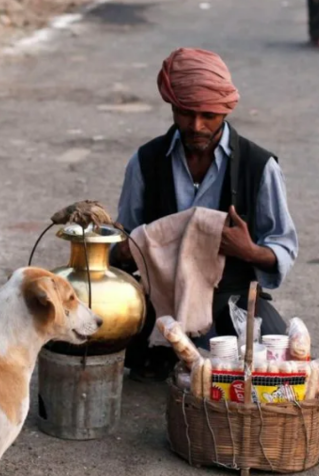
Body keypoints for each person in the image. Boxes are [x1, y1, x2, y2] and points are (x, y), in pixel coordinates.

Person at [115, 48, 298, 379]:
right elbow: (123, 239)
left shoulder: (259, 167)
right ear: (172, 106)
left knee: (273, 366)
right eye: (185, 113)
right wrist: (127, 249)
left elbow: (283, 245)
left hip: (230, 298)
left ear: (225, 111)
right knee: (99, 337)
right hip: (162, 298)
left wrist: (249, 251)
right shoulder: (145, 161)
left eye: (208, 116)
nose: (196, 126)